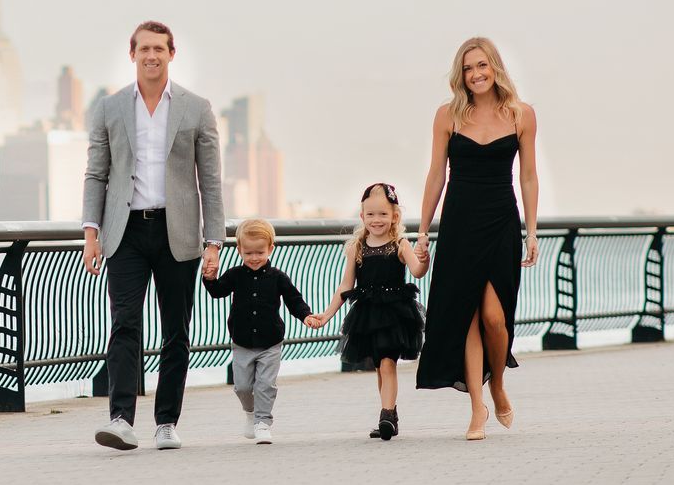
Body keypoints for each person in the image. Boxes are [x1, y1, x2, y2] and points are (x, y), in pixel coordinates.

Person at [82, 20, 225, 450]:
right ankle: (121, 418)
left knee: (176, 331)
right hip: (124, 233)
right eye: (144, 49)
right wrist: (92, 232)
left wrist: (214, 241)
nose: (151, 56)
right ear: (132, 54)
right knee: (125, 323)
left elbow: (211, 181)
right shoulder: (108, 109)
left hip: (177, 232)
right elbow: (96, 175)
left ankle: (166, 422)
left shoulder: (196, 108)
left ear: (171, 54)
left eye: (159, 49)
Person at [412, 37, 540, 440]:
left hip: (501, 221)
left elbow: (529, 176)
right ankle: (476, 409)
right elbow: (436, 175)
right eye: (468, 68)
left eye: (482, 65)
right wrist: (422, 231)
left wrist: (532, 231)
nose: (476, 74)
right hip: (459, 224)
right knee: (467, 315)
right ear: (460, 74)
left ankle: (497, 383)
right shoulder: (447, 115)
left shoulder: (521, 115)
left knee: (494, 317)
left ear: (495, 67)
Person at [304, 183, 429, 440]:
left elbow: (417, 272)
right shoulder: (357, 248)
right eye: (370, 214)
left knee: (387, 362)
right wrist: (327, 315)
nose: (376, 220)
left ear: (395, 216)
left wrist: (424, 260)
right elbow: (346, 285)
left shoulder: (400, 244)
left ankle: (386, 414)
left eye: (383, 214)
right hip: (368, 314)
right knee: (379, 366)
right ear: (362, 216)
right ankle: (390, 414)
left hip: (396, 313)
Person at [201, 217, 310, 445]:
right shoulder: (235, 275)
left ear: (270, 248)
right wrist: (209, 279)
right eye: (248, 253)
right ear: (239, 249)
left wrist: (306, 316)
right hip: (241, 341)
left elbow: (294, 300)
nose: (254, 258)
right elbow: (218, 291)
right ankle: (250, 413)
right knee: (242, 386)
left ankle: (263, 422)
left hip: (271, 341)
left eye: (259, 253)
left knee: (265, 385)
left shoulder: (278, 277)